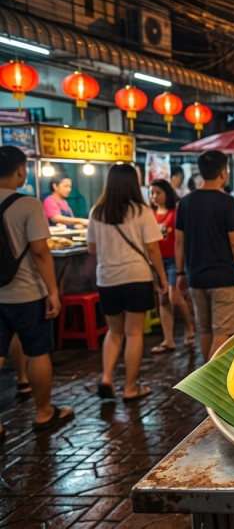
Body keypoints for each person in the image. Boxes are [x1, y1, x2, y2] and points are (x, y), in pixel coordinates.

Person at [0, 146, 74, 434]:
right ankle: (43, 412)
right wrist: (52, 291)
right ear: (21, 170)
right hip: (27, 294)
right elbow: (41, 253)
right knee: (37, 351)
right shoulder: (28, 204)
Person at [87, 164, 169, 401]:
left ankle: (107, 378)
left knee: (114, 332)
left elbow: (91, 248)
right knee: (133, 334)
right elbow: (152, 248)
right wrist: (162, 278)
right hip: (136, 276)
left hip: (107, 278)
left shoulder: (97, 212)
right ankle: (130, 388)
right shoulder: (140, 211)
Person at [176, 151, 234, 361]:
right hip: (223, 278)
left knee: (206, 330)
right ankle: (205, 380)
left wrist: (180, 273)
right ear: (223, 172)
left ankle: (204, 376)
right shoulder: (227, 203)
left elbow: (179, 242)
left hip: (195, 277)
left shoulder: (185, 203)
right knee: (224, 332)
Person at [149, 180, 195, 354]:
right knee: (163, 299)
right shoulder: (150, 214)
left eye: (158, 193)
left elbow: (182, 238)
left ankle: (189, 326)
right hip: (157, 261)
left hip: (175, 260)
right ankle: (168, 339)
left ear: (167, 193)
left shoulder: (176, 212)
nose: (154, 197)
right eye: (152, 193)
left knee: (174, 297)